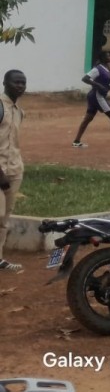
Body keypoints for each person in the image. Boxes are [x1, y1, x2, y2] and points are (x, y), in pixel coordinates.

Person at [72, 51, 110, 149]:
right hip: (97, 96)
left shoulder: (105, 68)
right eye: (108, 56)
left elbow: (103, 81)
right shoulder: (98, 69)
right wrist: (97, 85)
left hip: (94, 96)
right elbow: (85, 78)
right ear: (102, 58)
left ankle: (76, 141)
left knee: (88, 118)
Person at [0, 70, 26, 273]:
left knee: (5, 218)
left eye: (23, 82)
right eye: (16, 82)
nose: (20, 85)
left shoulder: (19, 111)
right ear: (5, 83)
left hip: (15, 169)